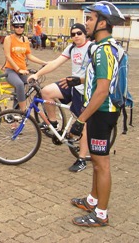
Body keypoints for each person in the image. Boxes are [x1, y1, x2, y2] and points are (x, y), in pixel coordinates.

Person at [69, 1, 125, 227]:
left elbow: (102, 90)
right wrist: (80, 80)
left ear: (103, 23)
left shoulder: (103, 51)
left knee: (102, 164)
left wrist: (81, 119)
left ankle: (101, 214)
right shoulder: (103, 48)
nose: (87, 23)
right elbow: (102, 82)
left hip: (102, 113)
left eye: (90, 19)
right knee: (96, 160)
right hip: (99, 112)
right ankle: (93, 200)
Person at [28, 23, 93, 172]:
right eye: (73, 34)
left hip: (85, 90)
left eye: (79, 33)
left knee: (82, 123)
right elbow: (55, 63)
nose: (76, 36)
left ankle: (82, 158)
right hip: (71, 84)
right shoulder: (71, 48)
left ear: (85, 34)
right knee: (46, 92)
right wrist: (37, 75)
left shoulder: (92, 49)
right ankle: (54, 123)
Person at [3, 13, 47, 112]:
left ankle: (15, 118)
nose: (19, 28)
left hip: (23, 70)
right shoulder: (8, 39)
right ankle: (23, 111)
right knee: (19, 85)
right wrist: (18, 70)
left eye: (21, 26)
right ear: (13, 27)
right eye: (17, 26)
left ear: (24, 27)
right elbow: (8, 56)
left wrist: (44, 62)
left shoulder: (25, 39)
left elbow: (29, 56)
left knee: (21, 92)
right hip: (11, 70)